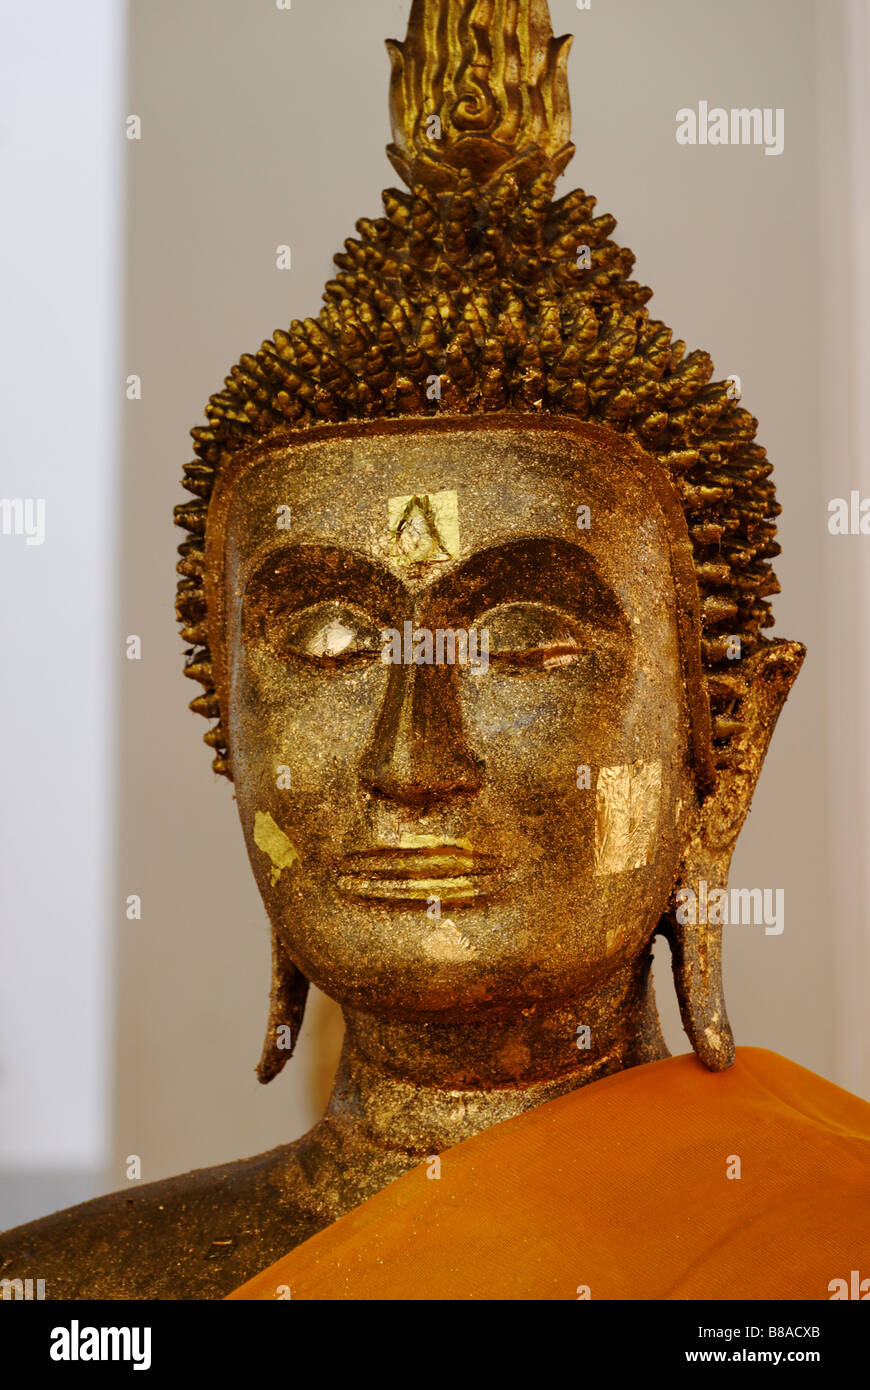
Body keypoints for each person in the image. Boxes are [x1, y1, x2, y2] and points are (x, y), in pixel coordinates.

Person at [1, 0, 867, 1301]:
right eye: (332, 634)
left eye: (524, 641)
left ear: (724, 741)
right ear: (225, 726)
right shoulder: (72, 1297)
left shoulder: (822, 1256)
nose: (416, 758)